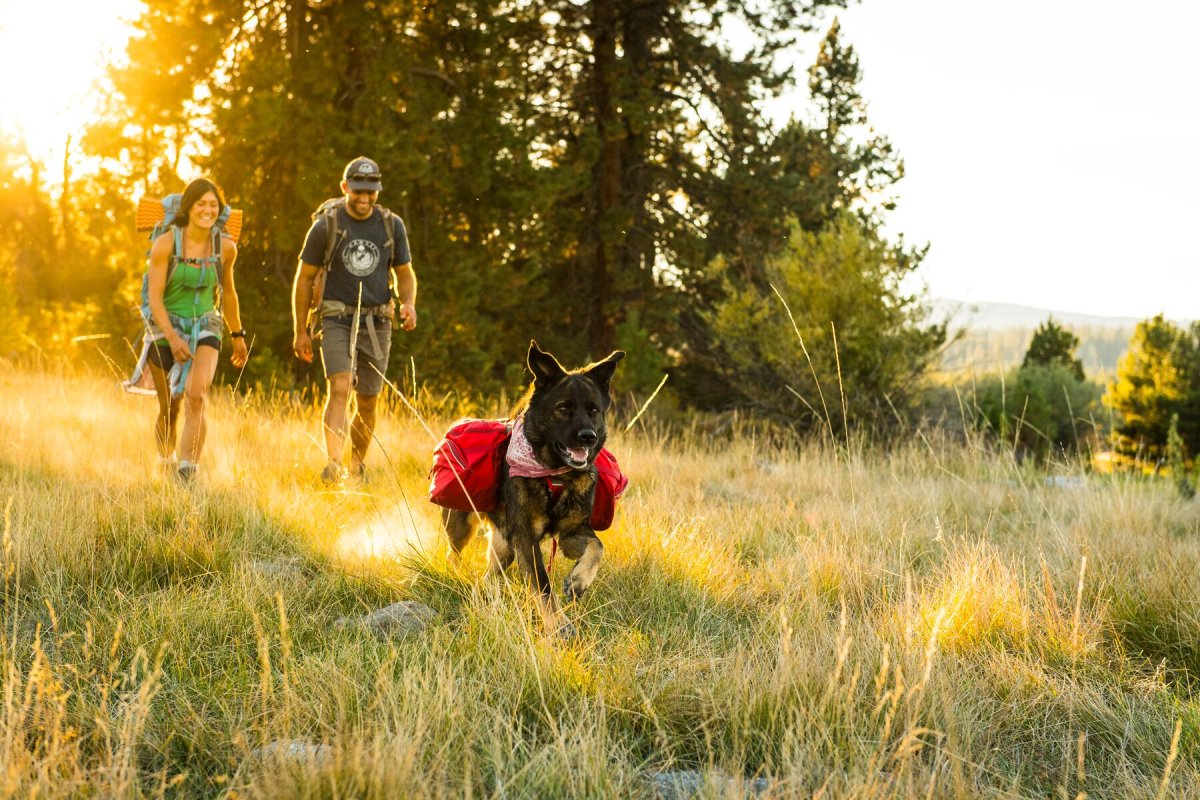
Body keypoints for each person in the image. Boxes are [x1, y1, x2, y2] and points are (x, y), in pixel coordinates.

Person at [292, 156, 417, 485]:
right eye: (358, 191)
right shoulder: (327, 225)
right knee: (341, 386)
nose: (364, 198)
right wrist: (300, 330)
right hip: (336, 317)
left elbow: (405, 274)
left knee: (368, 400)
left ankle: (357, 466)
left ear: (378, 190)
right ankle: (333, 465)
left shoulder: (392, 226)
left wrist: (409, 304)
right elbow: (303, 279)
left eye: (371, 192)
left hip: (377, 323)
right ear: (345, 187)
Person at [144, 178, 248, 482]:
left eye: (213, 204)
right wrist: (173, 338)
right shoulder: (165, 244)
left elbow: (228, 293)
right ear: (188, 207)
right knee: (169, 406)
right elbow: (154, 298)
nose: (207, 209)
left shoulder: (225, 248)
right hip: (166, 324)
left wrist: (237, 335)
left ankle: (187, 472)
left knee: (196, 394)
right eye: (201, 203)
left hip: (206, 324)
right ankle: (165, 459)